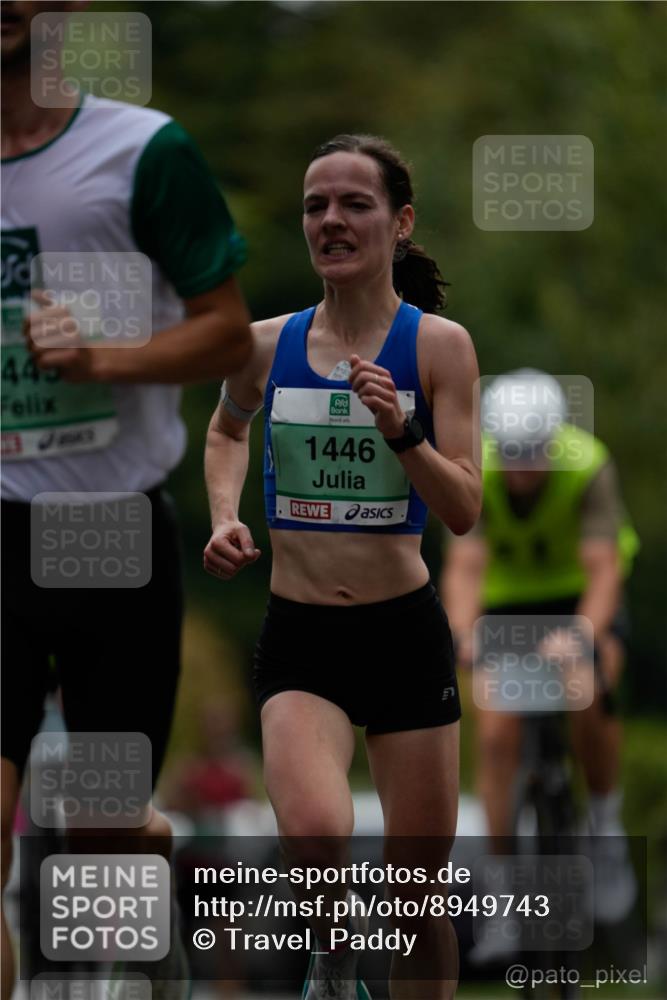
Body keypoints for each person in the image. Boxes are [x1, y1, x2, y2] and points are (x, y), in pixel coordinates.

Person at [1, 4, 251, 997]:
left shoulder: (143, 150)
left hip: (114, 523)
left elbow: (227, 335)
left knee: (101, 826)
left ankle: (145, 851)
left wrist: (100, 355)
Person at [204, 134, 481, 1000]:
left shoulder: (438, 347)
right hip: (302, 637)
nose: (330, 219)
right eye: (315, 204)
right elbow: (224, 429)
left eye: (353, 203)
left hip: (403, 636)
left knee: (414, 896)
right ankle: (331, 968)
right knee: (317, 840)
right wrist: (223, 516)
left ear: (398, 224)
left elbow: (465, 507)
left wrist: (401, 430)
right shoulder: (263, 345)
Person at [441, 369, 639, 958]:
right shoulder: (477, 464)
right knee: (497, 728)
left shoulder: (586, 465)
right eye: (514, 453)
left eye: (535, 453)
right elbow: (466, 566)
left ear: (554, 440)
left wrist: (583, 632)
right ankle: (503, 890)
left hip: (577, 596)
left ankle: (605, 826)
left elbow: (605, 568)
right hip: (506, 602)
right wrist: (462, 633)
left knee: (590, 681)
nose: (524, 468)